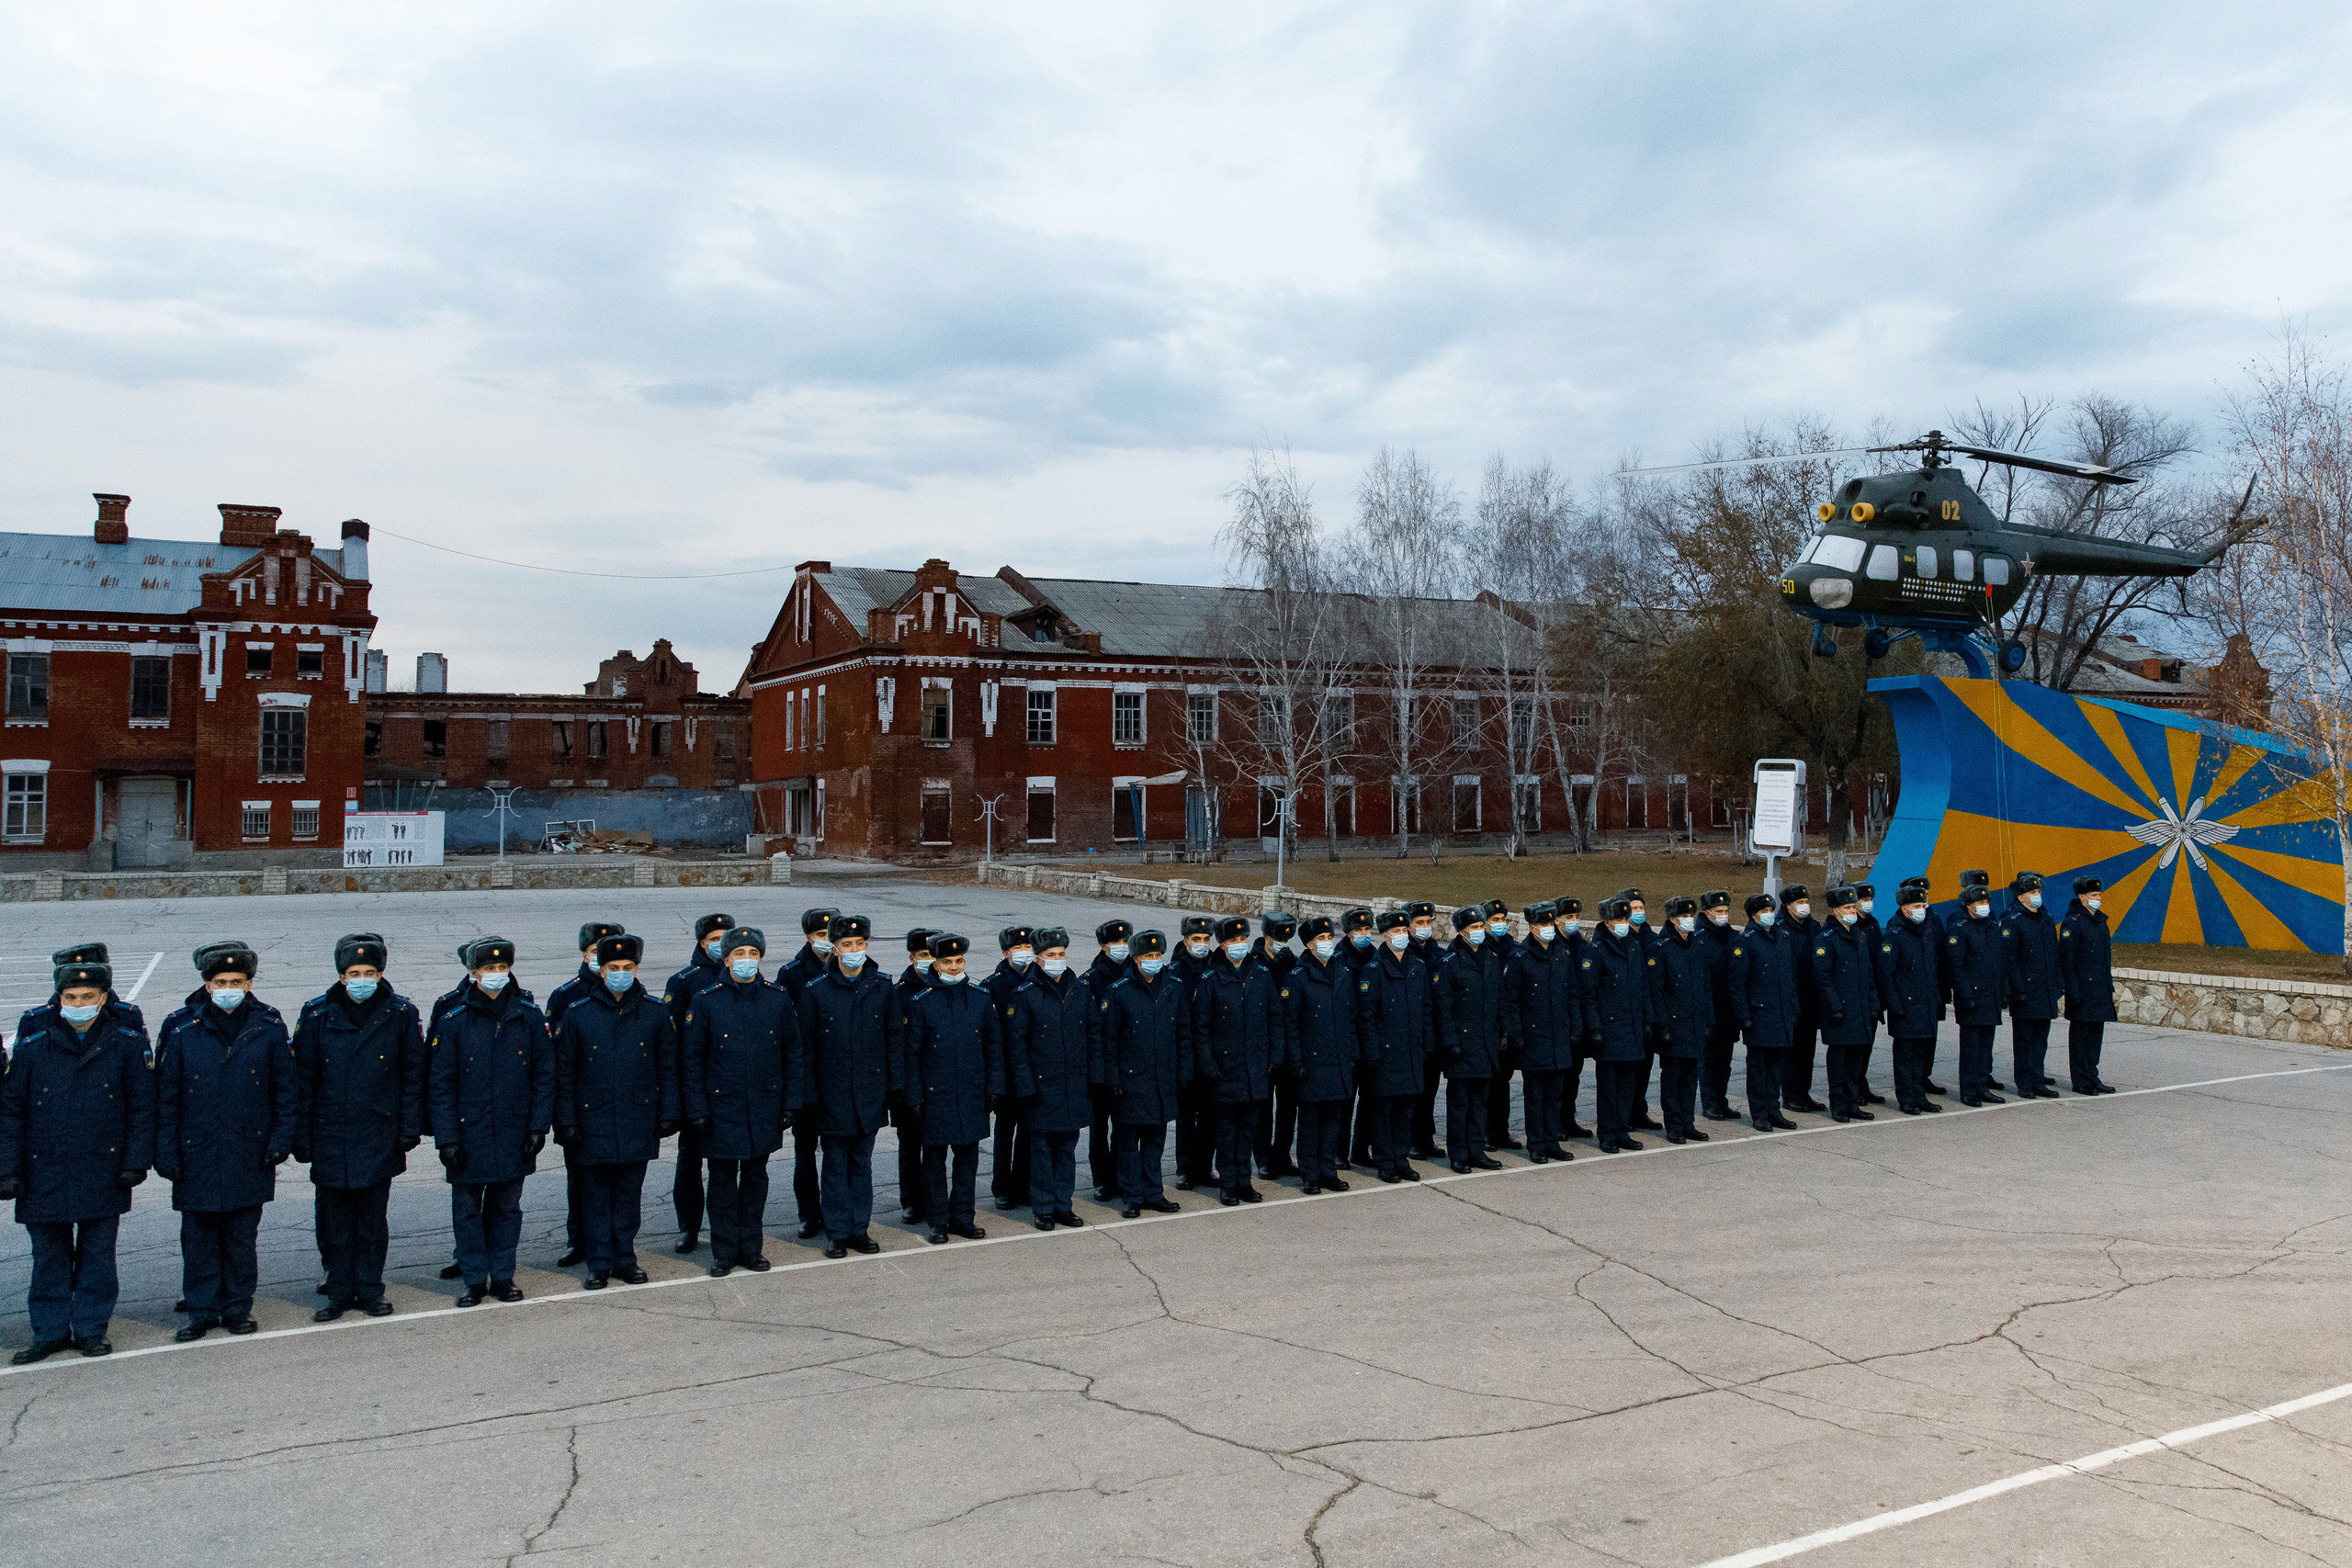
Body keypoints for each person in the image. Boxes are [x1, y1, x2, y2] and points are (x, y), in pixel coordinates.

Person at [0, 953, 153, 1361]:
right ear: (59, 996)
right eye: (70, 995)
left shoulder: (125, 1043)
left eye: (87, 995)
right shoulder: (33, 1046)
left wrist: (134, 1162)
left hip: (103, 1169)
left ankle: (90, 1329)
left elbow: (141, 1107)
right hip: (42, 1170)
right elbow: (12, 1111)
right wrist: (7, 1169)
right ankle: (49, 1332)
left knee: (97, 1257)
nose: (78, 1002)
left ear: (103, 997)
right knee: (48, 1257)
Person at [156, 942, 299, 1340]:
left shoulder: (268, 1026)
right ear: (207, 984)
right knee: (198, 1238)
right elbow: (165, 1097)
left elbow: (285, 1091)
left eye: (237, 981)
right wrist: (165, 1150)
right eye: (220, 982)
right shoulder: (180, 1027)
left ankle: (238, 1308)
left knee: (240, 1239)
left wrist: (279, 1140)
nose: (229, 988)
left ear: (249, 982)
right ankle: (201, 1310)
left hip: (248, 1151)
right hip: (195, 1150)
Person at [292, 932, 425, 1321]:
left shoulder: (400, 1013)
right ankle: (337, 1291)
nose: (362, 979)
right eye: (354, 972)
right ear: (341, 975)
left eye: (369, 972)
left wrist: (408, 1128)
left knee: (371, 1222)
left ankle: (369, 1289)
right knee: (333, 1221)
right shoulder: (316, 1015)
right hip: (330, 1132)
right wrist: (302, 1135)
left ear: (381, 973)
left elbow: (413, 1075)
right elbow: (303, 1080)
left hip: (378, 1133)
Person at [428, 937, 554, 1306]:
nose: (497, 975)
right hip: (469, 1135)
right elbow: (440, 1085)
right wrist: (446, 1138)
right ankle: (473, 1279)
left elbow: (544, 1076)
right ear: (473, 973)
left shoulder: (528, 1016)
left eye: (502, 968)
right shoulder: (454, 1021)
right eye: (489, 969)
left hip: (514, 1131)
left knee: (507, 1209)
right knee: (467, 1212)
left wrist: (537, 1127)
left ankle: (502, 1276)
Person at [557, 933, 681, 1288]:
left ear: (637, 968)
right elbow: (564, 1073)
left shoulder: (655, 1013)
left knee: (628, 1194)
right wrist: (565, 1120)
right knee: (595, 1196)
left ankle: (625, 1257)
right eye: (613, 967)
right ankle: (598, 1261)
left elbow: (668, 1068)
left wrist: (668, 1113)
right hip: (591, 1120)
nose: (621, 973)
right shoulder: (578, 1014)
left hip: (636, 1116)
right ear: (601, 970)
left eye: (628, 967)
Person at [683, 926, 802, 1275]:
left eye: (753, 954)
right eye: (739, 955)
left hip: (764, 1106)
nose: (747, 961)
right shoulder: (706, 1000)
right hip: (721, 1109)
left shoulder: (776, 998)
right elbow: (692, 1061)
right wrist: (697, 1109)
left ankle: (751, 1249)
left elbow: (792, 1053)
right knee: (721, 1184)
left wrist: (790, 1102)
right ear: (726, 958)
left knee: (755, 1182)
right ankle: (724, 1251)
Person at [797, 915, 899, 1258]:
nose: (853, 950)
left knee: (862, 1164)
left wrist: (893, 1090)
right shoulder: (816, 991)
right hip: (832, 1095)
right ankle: (837, 1231)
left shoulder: (883, 987)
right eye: (846, 945)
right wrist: (809, 1096)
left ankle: (860, 1230)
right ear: (835, 949)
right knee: (835, 1165)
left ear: (866, 946)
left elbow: (894, 1041)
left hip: (870, 1092)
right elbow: (805, 1049)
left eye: (859, 944)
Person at [903, 933, 1001, 1244]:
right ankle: (938, 1221)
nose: (955, 967)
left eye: (959, 961)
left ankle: (963, 1218)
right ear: (935, 962)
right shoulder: (921, 1002)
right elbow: (912, 1055)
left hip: (971, 1093)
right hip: (936, 1096)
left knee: (967, 1162)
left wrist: (993, 1087)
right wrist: (915, 1097)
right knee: (933, 1163)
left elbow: (993, 1047)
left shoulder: (980, 997)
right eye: (947, 961)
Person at [1093, 931, 1189, 1217]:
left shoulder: (1173, 987)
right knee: (1128, 1144)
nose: (1155, 961)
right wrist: (1112, 1078)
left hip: (1162, 1079)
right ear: (1136, 959)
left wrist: (1184, 1072)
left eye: (1158, 956)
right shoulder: (1119, 991)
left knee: (1155, 1142)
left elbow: (1183, 1034)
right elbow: (1108, 1041)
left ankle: (1154, 1193)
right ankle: (1132, 1196)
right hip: (1131, 1081)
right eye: (1148, 956)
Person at [545, 921, 624, 1269]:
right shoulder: (565, 996)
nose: (601, 957)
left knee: (616, 1181)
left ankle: (611, 1243)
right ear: (585, 954)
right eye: (595, 952)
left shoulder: (627, 988)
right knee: (580, 1180)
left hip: (617, 1103)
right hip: (581, 1105)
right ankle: (577, 1240)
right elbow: (557, 1059)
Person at [1196, 915, 1289, 1205]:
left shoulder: (1260, 974)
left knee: (1247, 1131)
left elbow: (1275, 1019)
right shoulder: (1211, 979)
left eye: (1243, 939)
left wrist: (1274, 1057)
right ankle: (1228, 1184)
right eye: (1233, 940)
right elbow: (1201, 1029)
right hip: (1225, 1071)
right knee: (1226, 1133)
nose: (1240, 945)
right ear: (1222, 945)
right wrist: (1209, 1066)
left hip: (1254, 1068)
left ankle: (1244, 1182)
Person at [1006, 926, 1091, 1231]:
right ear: (1038, 960)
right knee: (1041, 1152)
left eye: (1061, 954)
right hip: (1042, 1090)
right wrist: (1026, 1088)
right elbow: (1017, 1049)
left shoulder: (1079, 990)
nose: (1058, 959)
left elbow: (1092, 1036)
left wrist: (1093, 1080)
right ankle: (1043, 1207)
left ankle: (1063, 1205)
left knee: (1067, 1149)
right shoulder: (1026, 995)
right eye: (1050, 955)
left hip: (1073, 1086)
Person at [661, 912, 732, 1255]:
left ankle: (728, 1228)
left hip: (729, 1089)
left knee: (726, 1165)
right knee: (689, 1163)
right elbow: (673, 1045)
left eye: (726, 936)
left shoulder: (739, 973)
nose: (720, 943)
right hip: (696, 1087)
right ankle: (688, 1227)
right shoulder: (684, 982)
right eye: (714, 938)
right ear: (702, 943)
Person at [775, 908, 842, 1242]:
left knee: (835, 1152)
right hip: (805, 1075)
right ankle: (808, 1214)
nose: (828, 941)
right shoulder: (791, 974)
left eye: (833, 935)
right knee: (805, 1152)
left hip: (837, 1077)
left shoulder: (847, 965)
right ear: (808, 937)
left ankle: (833, 1213)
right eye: (821, 935)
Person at [1282, 917, 1360, 1194]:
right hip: (1311, 1063)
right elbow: (1290, 1025)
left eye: (1330, 936)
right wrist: (1296, 1062)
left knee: (1333, 1121)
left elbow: (1351, 1018)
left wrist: (1352, 1054)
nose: (1328, 942)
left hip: (1337, 1060)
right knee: (1310, 1122)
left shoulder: (1342, 972)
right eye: (1323, 938)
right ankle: (1310, 1174)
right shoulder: (1298, 977)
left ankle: (1329, 1172)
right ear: (1310, 943)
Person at [1355, 911, 1434, 1183]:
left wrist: (1426, 1043)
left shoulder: (1417, 966)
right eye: (1396, 931)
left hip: (1411, 1051)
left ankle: (1401, 1158)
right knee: (1384, 1112)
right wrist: (1372, 1053)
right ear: (1385, 935)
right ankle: (1385, 1161)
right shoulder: (1374, 970)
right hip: (1385, 1054)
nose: (1401, 935)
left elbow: (1425, 1008)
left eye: (1404, 930)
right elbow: (1366, 1017)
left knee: (1405, 1111)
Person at [1434, 905, 1506, 1171]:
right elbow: (1443, 1008)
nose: (1479, 932)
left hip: (1485, 1043)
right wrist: (1450, 1042)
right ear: (1462, 932)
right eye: (1474, 928)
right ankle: (1459, 1154)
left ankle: (1477, 1150)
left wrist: (1504, 1033)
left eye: (1481, 927)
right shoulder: (1450, 963)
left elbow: (1501, 1001)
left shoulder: (1491, 958)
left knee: (1480, 1103)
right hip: (1462, 1046)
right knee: (1459, 1104)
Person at [1580, 898, 1655, 1153]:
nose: (1624, 924)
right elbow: (1588, 995)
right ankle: (1608, 1134)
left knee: (1626, 1085)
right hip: (1610, 1030)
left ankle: (1622, 1130)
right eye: (1619, 920)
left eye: (1626, 919)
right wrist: (1595, 1029)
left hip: (1632, 1027)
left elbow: (1643, 987)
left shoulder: (1634, 946)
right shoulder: (1596, 950)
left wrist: (1647, 1020)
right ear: (1606, 922)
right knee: (1609, 1087)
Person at [1510, 901, 1579, 1163]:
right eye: (1542, 924)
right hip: (1533, 1038)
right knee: (1535, 1096)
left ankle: (1552, 1141)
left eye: (1551, 923)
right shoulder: (1520, 957)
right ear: (1531, 927)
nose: (1548, 929)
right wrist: (1517, 1034)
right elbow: (1512, 1001)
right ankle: (1536, 1144)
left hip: (1558, 1036)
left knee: (1554, 1095)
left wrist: (1575, 1027)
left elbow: (1573, 994)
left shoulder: (1563, 954)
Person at [1727, 895, 1801, 1132]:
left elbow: (1790, 977)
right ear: (1754, 915)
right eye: (1765, 910)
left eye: (1772, 908)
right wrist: (1744, 1016)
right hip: (1758, 1017)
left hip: (1781, 1015)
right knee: (1758, 1069)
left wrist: (1793, 1008)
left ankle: (1774, 1110)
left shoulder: (1783, 937)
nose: (1770, 913)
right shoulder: (1746, 941)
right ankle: (1759, 1114)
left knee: (1776, 1067)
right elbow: (1737, 984)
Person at [1874, 884, 1946, 1115]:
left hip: (1924, 1005)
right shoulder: (1894, 936)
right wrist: (1895, 1006)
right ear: (1904, 909)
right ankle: (1906, 1098)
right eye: (1916, 906)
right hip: (1905, 1006)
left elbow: (1931, 970)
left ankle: (1919, 1095)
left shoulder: (1925, 931)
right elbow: (1886, 975)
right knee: (1905, 1055)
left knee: (1920, 1054)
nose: (1921, 910)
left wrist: (1935, 999)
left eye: (1923, 905)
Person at [1812, 886, 1881, 1122]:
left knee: (1855, 1060)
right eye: (1848, 907)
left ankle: (1853, 1102)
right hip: (1840, 1010)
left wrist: (1873, 1004)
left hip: (1860, 1009)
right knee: (1839, 1060)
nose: (1853, 910)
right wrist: (1835, 1006)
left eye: (1853, 906)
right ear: (1835, 911)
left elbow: (1868, 974)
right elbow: (1823, 977)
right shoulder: (1826, 939)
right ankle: (1839, 1105)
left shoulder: (1859, 935)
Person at [980, 926, 1036, 1213]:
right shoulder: (992, 985)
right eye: (1018, 949)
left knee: (1029, 1132)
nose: (1024, 954)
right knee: (1004, 1134)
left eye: (1028, 948)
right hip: (1006, 1073)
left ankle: (1024, 1185)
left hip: (1031, 1071)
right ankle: (1002, 1188)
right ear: (1005, 953)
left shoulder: (1038, 980)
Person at [1650, 897, 1714, 1145]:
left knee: (1690, 1077)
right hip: (1674, 1026)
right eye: (1684, 916)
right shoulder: (1661, 948)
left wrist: (1709, 1019)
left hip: (1695, 1023)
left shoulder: (1698, 945)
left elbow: (1705, 986)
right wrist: (1662, 1027)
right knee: (1672, 1077)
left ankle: (1688, 1122)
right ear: (1673, 919)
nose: (1689, 919)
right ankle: (1674, 1124)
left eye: (1691, 915)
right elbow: (1656, 992)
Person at [1082, 919, 1136, 1201]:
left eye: (1125, 941)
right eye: (1116, 943)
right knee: (1099, 1126)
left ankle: (1122, 1174)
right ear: (1103, 947)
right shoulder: (1091, 980)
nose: (1121, 947)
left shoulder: (1135, 973)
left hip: (1128, 1062)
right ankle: (1102, 1179)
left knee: (1124, 1125)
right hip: (1101, 1064)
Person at [1170, 915, 1219, 1192]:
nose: (1201, 944)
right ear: (1185, 940)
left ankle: (1204, 1167)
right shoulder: (1175, 970)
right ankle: (1184, 1170)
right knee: (1186, 1117)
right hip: (1186, 1054)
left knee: (1210, 1115)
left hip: (1211, 1054)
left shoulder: (1215, 966)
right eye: (1196, 939)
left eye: (1205, 939)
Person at [1947, 881, 2008, 1106]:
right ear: (1969, 905)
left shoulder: (1991, 928)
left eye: (1986, 902)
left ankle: (1982, 1086)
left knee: (1985, 1046)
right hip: (1971, 997)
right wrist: (1965, 995)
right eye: (1980, 902)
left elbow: (2000, 962)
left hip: (1989, 996)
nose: (1985, 905)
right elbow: (1957, 966)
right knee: (1971, 1047)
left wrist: (2002, 991)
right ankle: (1969, 1090)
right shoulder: (1960, 929)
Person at [2003, 872, 2063, 1100]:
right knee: (2024, 1040)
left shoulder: (2045, 920)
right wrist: (2017, 990)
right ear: (2021, 896)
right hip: (2026, 992)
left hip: (2045, 991)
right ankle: (2025, 1082)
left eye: (2039, 892)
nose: (2038, 896)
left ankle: (2038, 1079)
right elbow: (2010, 960)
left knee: (2040, 1039)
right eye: (2033, 892)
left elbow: (2054, 955)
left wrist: (2057, 984)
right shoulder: (2013, 921)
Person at [891, 929, 937, 1224]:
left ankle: (933, 1200)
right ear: (912, 957)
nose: (929, 961)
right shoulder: (898, 994)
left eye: (934, 955)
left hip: (937, 1084)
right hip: (909, 1085)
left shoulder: (943, 988)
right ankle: (910, 1201)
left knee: (934, 1149)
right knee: (909, 1147)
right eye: (923, 955)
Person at [2057, 876, 2118, 1095]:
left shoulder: (2101, 922)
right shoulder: (2073, 923)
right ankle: (2081, 1080)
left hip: (2099, 989)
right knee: (2080, 1037)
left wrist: (2108, 987)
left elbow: (2104, 960)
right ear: (2082, 898)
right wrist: (2072, 989)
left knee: (2095, 1036)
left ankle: (2092, 1076)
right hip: (2082, 990)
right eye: (2094, 895)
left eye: (2099, 895)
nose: (2098, 899)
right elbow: (2067, 959)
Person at [1253, 911, 1302, 1179]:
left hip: (1288, 1041)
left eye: (1286, 938)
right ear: (1265, 936)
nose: (1281, 942)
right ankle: (1263, 1157)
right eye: (1276, 938)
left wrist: (1289, 965)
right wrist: (1275, 966)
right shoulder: (1254, 961)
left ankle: (1282, 1154)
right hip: (1264, 1043)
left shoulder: (1290, 961)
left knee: (1288, 1105)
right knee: (1263, 1106)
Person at [1402, 900, 1447, 1158]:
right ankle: (1409, 1138)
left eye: (1428, 923)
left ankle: (1425, 1137)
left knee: (1429, 1089)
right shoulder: (1404, 953)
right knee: (1412, 1091)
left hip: (1433, 1032)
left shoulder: (1437, 953)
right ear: (1408, 926)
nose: (1425, 927)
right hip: (1412, 1032)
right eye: (1419, 923)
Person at [1694, 891, 1743, 1122]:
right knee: (1708, 1060)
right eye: (1719, 912)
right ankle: (1710, 1103)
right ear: (1707, 913)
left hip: (1728, 1010)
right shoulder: (1699, 939)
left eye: (1726, 911)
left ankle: (1721, 1101)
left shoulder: (1732, 936)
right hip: (1708, 1009)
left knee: (1725, 1061)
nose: (1724, 916)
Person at [1485, 898, 1528, 1152]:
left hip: (1508, 1024)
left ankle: (1501, 1131)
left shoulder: (1513, 948)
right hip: (1489, 1026)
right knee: (1488, 1086)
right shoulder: (1484, 948)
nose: (1500, 925)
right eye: (1495, 921)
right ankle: (1485, 1132)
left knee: (1503, 1084)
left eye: (1502, 920)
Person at [1779, 886, 1826, 1114]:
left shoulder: (1813, 926)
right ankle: (1790, 1095)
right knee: (1792, 1051)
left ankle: (1803, 1093)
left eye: (1806, 900)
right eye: (1800, 902)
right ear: (1789, 906)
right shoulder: (1780, 929)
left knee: (1807, 1050)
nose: (1805, 905)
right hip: (1791, 998)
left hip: (1810, 998)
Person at [1552, 897, 1595, 1138]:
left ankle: (1569, 1120)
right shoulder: (1554, 944)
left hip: (1577, 1022)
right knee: (1557, 1080)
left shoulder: (1582, 945)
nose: (1574, 922)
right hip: (1559, 1021)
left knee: (1573, 1078)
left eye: (1577, 917)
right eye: (1569, 918)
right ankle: (1555, 1123)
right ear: (1557, 920)